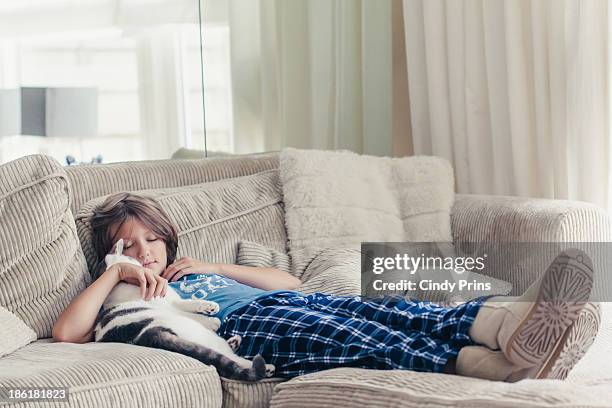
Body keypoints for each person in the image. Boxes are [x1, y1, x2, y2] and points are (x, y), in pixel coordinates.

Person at [52, 193, 594, 382]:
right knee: (348, 339)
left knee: (387, 311)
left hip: (283, 299)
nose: (147, 250)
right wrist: (114, 272)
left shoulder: (193, 269)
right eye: (132, 243)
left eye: (153, 239)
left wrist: (217, 265)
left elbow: (290, 282)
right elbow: (66, 333)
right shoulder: (129, 294)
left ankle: (500, 326)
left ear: (168, 239)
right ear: (115, 252)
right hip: (247, 328)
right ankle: (490, 365)